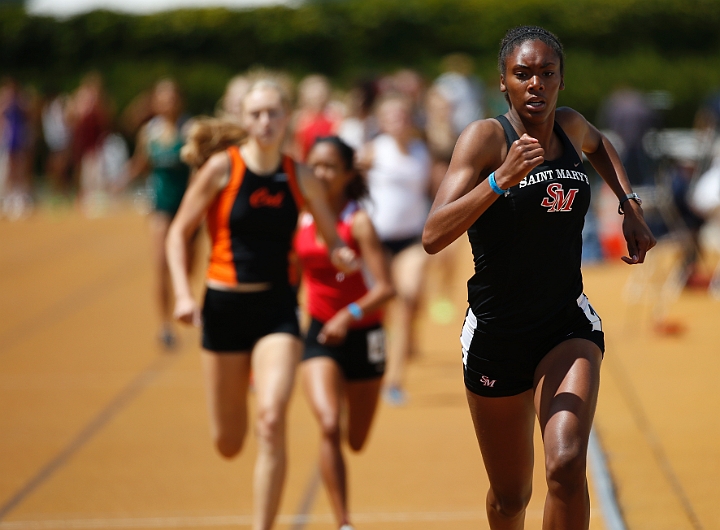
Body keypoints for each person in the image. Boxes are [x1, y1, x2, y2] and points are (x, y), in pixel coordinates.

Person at [422, 26, 655, 529]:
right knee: (511, 497)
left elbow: (600, 146)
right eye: (522, 74)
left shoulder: (570, 127)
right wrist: (497, 180)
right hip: (497, 335)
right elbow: (433, 234)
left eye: (547, 74)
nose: (535, 84)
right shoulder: (486, 138)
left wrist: (629, 204)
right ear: (502, 82)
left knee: (567, 465)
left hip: (564, 325)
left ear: (561, 81)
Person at [165, 78, 358, 530]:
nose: (265, 121)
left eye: (273, 112)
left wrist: (343, 255)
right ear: (244, 120)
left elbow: (332, 239)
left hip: (277, 310)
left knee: (271, 419)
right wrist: (180, 292)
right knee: (229, 442)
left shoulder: (299, 175)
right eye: (256, 114)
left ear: (286, 116)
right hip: (223, 309)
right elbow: (178, 232)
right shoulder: (221, 169)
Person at [294, 136, 394, 529]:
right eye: (314, 165)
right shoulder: (300, 217)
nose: (320, 174)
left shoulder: (359, 221)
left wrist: (348, 315)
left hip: (365, 335)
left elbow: (386, 289)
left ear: (347, 174)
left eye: (330, 167)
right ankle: (344, 522)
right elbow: (288, 270)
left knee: (356, 438)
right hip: (319, 333)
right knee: (329, 424)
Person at [360, 94, 432, 405]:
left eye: (402, 115)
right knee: (380, 308)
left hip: (411, 238)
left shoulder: (421, 152)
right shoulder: (372, 152)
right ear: (381, 121)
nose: (397, 122)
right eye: (390, 117)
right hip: (376, 241)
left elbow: (434, 190)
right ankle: (374, 370)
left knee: (406, 297)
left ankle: (394, 380)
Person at [123, 79, 192, 349]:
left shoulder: (189, 130)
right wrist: (122, 178)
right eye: (161, 98)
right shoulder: (148, 133)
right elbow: (142, 163)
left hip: (187, 208)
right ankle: (165, 325)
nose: (167, 103)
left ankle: (183, 300)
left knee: (186, 266)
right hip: (160, 207)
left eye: (171, 98)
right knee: (161, 265)